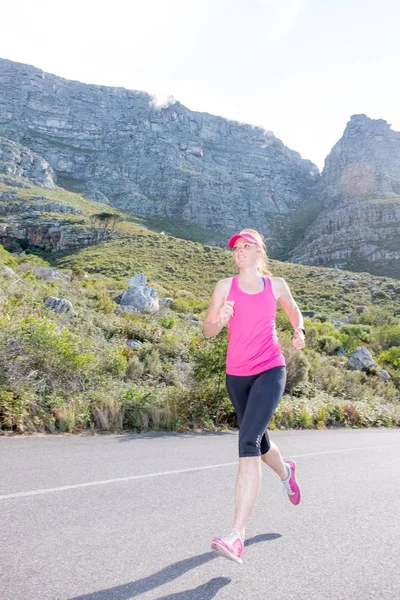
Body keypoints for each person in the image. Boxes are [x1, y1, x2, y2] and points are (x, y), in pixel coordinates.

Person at [202, 228, 306, 564]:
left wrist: (298, 331)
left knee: (247, 441)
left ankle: (236, 536)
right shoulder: (223, 287)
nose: (240, 252)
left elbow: (293, 311)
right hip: (237, 374)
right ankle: (286, 471)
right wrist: (221, 321)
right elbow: (208, 329)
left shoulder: (275, 285)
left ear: (259, 252)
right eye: (236, 248)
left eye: (247, 247)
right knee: (259, 443)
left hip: (270, 368)